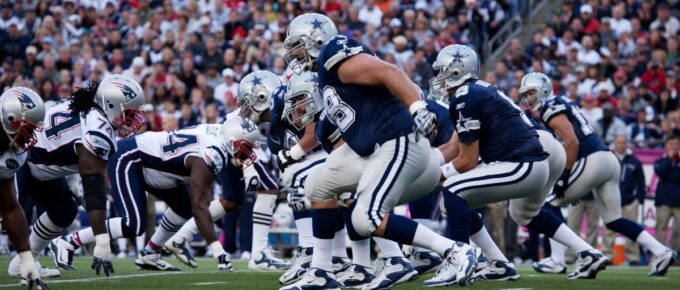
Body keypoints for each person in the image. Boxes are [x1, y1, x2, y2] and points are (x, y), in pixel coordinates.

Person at [284, 21, 478, 289]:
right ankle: (321, 271)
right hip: (382, 150)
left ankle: (453, 250)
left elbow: (389, 71)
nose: (293, 54)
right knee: (317, 184)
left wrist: (418, 108)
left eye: (297, 46)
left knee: (365, 218)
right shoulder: (325, 78)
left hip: (398, 141)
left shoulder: (333, 53)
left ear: (316, 41)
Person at [52, 117, 261, 273]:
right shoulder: (211, 154)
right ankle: (69, 241)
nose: (248, 153)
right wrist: (219, 252)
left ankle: (150, 254)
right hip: (132, 157)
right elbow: (201, 207)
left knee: (183, 208)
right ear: (233, 141)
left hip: (160, 167)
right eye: (246, 147)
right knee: (133, 224)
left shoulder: (222, 133)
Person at [528, 73, 676, 277]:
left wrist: (564, 175)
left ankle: (558, 260)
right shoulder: (563, 101)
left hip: (592, 158)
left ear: (543, 90)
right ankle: (661, 251)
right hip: (608, 158)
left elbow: (572, 142)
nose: (528, 98)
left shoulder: (551, 105)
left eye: (531, 92)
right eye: (525, 94)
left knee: (549, 203)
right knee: (613, 219)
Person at [7, 75, 144, 278]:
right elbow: (94, 190)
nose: (133, 120)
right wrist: (102, 241)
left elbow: (68, 140)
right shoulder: (99, 130)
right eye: (129, 114)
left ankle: (23, 264)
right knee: (8, 216)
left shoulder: (87, 105)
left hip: (42, 163)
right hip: (22, 157)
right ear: (111, 105)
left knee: (64, 211)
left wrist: (70, 179)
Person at [164, 71, 281, 271]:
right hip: (232, 145)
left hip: (230, 146)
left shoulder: (258, 112)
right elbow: (241, 143)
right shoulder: (244, 119)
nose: (276, 103)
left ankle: (181, 237)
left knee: (231, 200)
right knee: (269, 188)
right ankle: (260, 254)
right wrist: (249, 169)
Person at [0, 87, 48, 289]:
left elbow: (10, 207)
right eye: (27, 128)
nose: (30, 136)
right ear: (9, 119)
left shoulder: (14, 154)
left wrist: (27, 263)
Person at [603, 135, 646, 265]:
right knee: (609, 230)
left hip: (629, 202)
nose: (621, 145)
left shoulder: (634, 161)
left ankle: (633, 258)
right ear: (614, 144)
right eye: (618, 142)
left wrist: (639, 198)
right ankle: (608, 256)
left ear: (627, 144)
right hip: (611, 201)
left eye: (623, 143)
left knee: (632, 230)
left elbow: (641, 181)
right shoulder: (608, 159)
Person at [654, 135, 680, 257]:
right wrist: (669, 159)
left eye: (676, 144)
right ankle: (658, 255)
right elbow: (660, 172)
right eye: (671, 144)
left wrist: (670, 176)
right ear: (666, 146)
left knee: (678, 231)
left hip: (678, 201)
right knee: (660, 229)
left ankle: (672, 255)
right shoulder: (660, 160)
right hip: (663, 201)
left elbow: (675, 177)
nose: (673, 146)